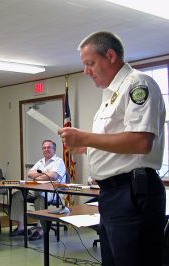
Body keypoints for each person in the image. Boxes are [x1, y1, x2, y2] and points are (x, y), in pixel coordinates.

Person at [58, 31, 166, 266]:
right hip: (112, 194)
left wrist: (85, 137)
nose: (86, 71)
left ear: (110, 55)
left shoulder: (137, 84)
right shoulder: (110, 95)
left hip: (132, 192)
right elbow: (121, 146)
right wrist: (87, 147)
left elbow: (141, 143)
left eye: (90, 63)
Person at [9, 140, 66, 241]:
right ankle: (21, 227)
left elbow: (53, 176)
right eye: (44, 148)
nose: (46, 149)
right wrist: (45, 173)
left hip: (52, 191)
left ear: (54, 149)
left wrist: (39, 175)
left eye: (49, 147)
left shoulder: (59, 161)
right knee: (17, 195)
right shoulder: (40, 162)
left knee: (41, 197)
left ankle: (41, 229)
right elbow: (30, 174)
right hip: (36, 189)